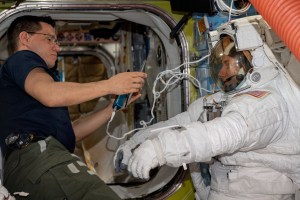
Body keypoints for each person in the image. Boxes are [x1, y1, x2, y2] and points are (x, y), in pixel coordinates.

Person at [114, 23, 300, 199]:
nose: (221, 73)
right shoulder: (229, 98)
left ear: (253, 60)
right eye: (220, 65)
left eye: (227, 64)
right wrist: (136, 143)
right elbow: (181, 123)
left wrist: (161, 149)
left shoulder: (266, 105)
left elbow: (220, 134)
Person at [0, 15, 147, 199]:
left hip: (38, 165)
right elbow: (51, 95)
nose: (57, 46)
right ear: (25, 38)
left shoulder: (27, 89)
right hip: (41, 160)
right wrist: (110, 85)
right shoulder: (21, 59)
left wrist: (112, 107)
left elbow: (72, 132)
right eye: (49, 39)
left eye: (56, 40)